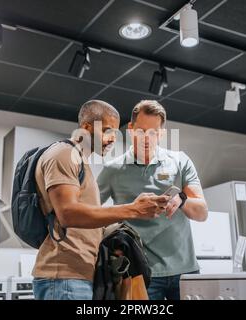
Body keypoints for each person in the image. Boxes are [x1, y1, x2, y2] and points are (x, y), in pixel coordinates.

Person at [32, 100, 170, 300]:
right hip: (63, 278)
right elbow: (68, 214)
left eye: (115, 132)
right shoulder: (64, 154)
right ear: (87, 127)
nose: (112, 138)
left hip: (77, 277)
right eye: (107, 130)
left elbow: (82, 221)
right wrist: (132, 209)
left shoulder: (81, 162)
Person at [97, 100, 208, 300]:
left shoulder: (180, 161)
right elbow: (90, 213)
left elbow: (202, 213)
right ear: (130, 130)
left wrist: (182, 199)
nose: (146, 138)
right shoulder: (112, 169)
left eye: (153, 133)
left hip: (185, 271)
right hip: (139, 272)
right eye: (141, 131)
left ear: (162, 133)